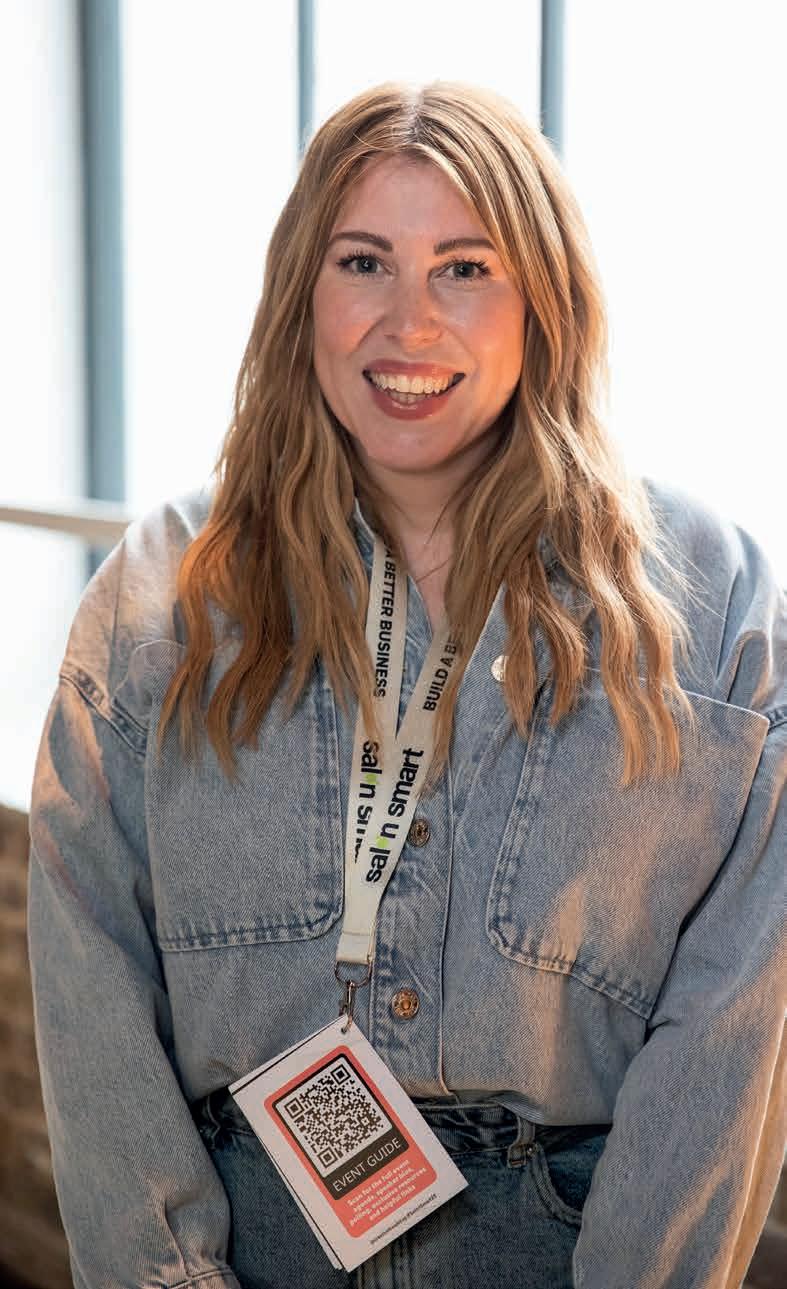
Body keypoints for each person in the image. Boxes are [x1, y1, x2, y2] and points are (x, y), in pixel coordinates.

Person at [27, 79, 785, 1289]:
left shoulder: (716, 602)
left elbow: (733, 1022)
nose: (409, 322)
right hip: (240, 1237)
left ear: (544, 298)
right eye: (364, 261)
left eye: (465, 268)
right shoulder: (159, 592)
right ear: (302, 292)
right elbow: (90, 973)